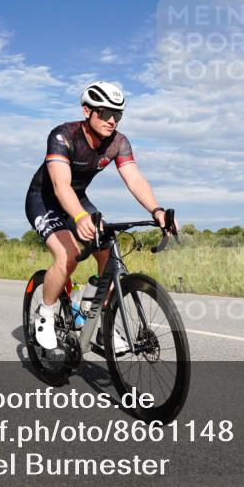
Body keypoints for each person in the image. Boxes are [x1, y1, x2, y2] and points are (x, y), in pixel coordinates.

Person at [25, 82, 170, 350]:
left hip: (77, 200)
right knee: (68, 256)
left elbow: (134, 178)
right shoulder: (63, 136)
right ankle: (44, 314)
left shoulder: (118, 142)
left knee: (109, 252)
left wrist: (157, 210)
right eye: (104, 113)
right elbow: (60, 186)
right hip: (44, 200)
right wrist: (80, 217)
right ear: (87, 111)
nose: (112, 120)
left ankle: (99, 320)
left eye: (118, 114)